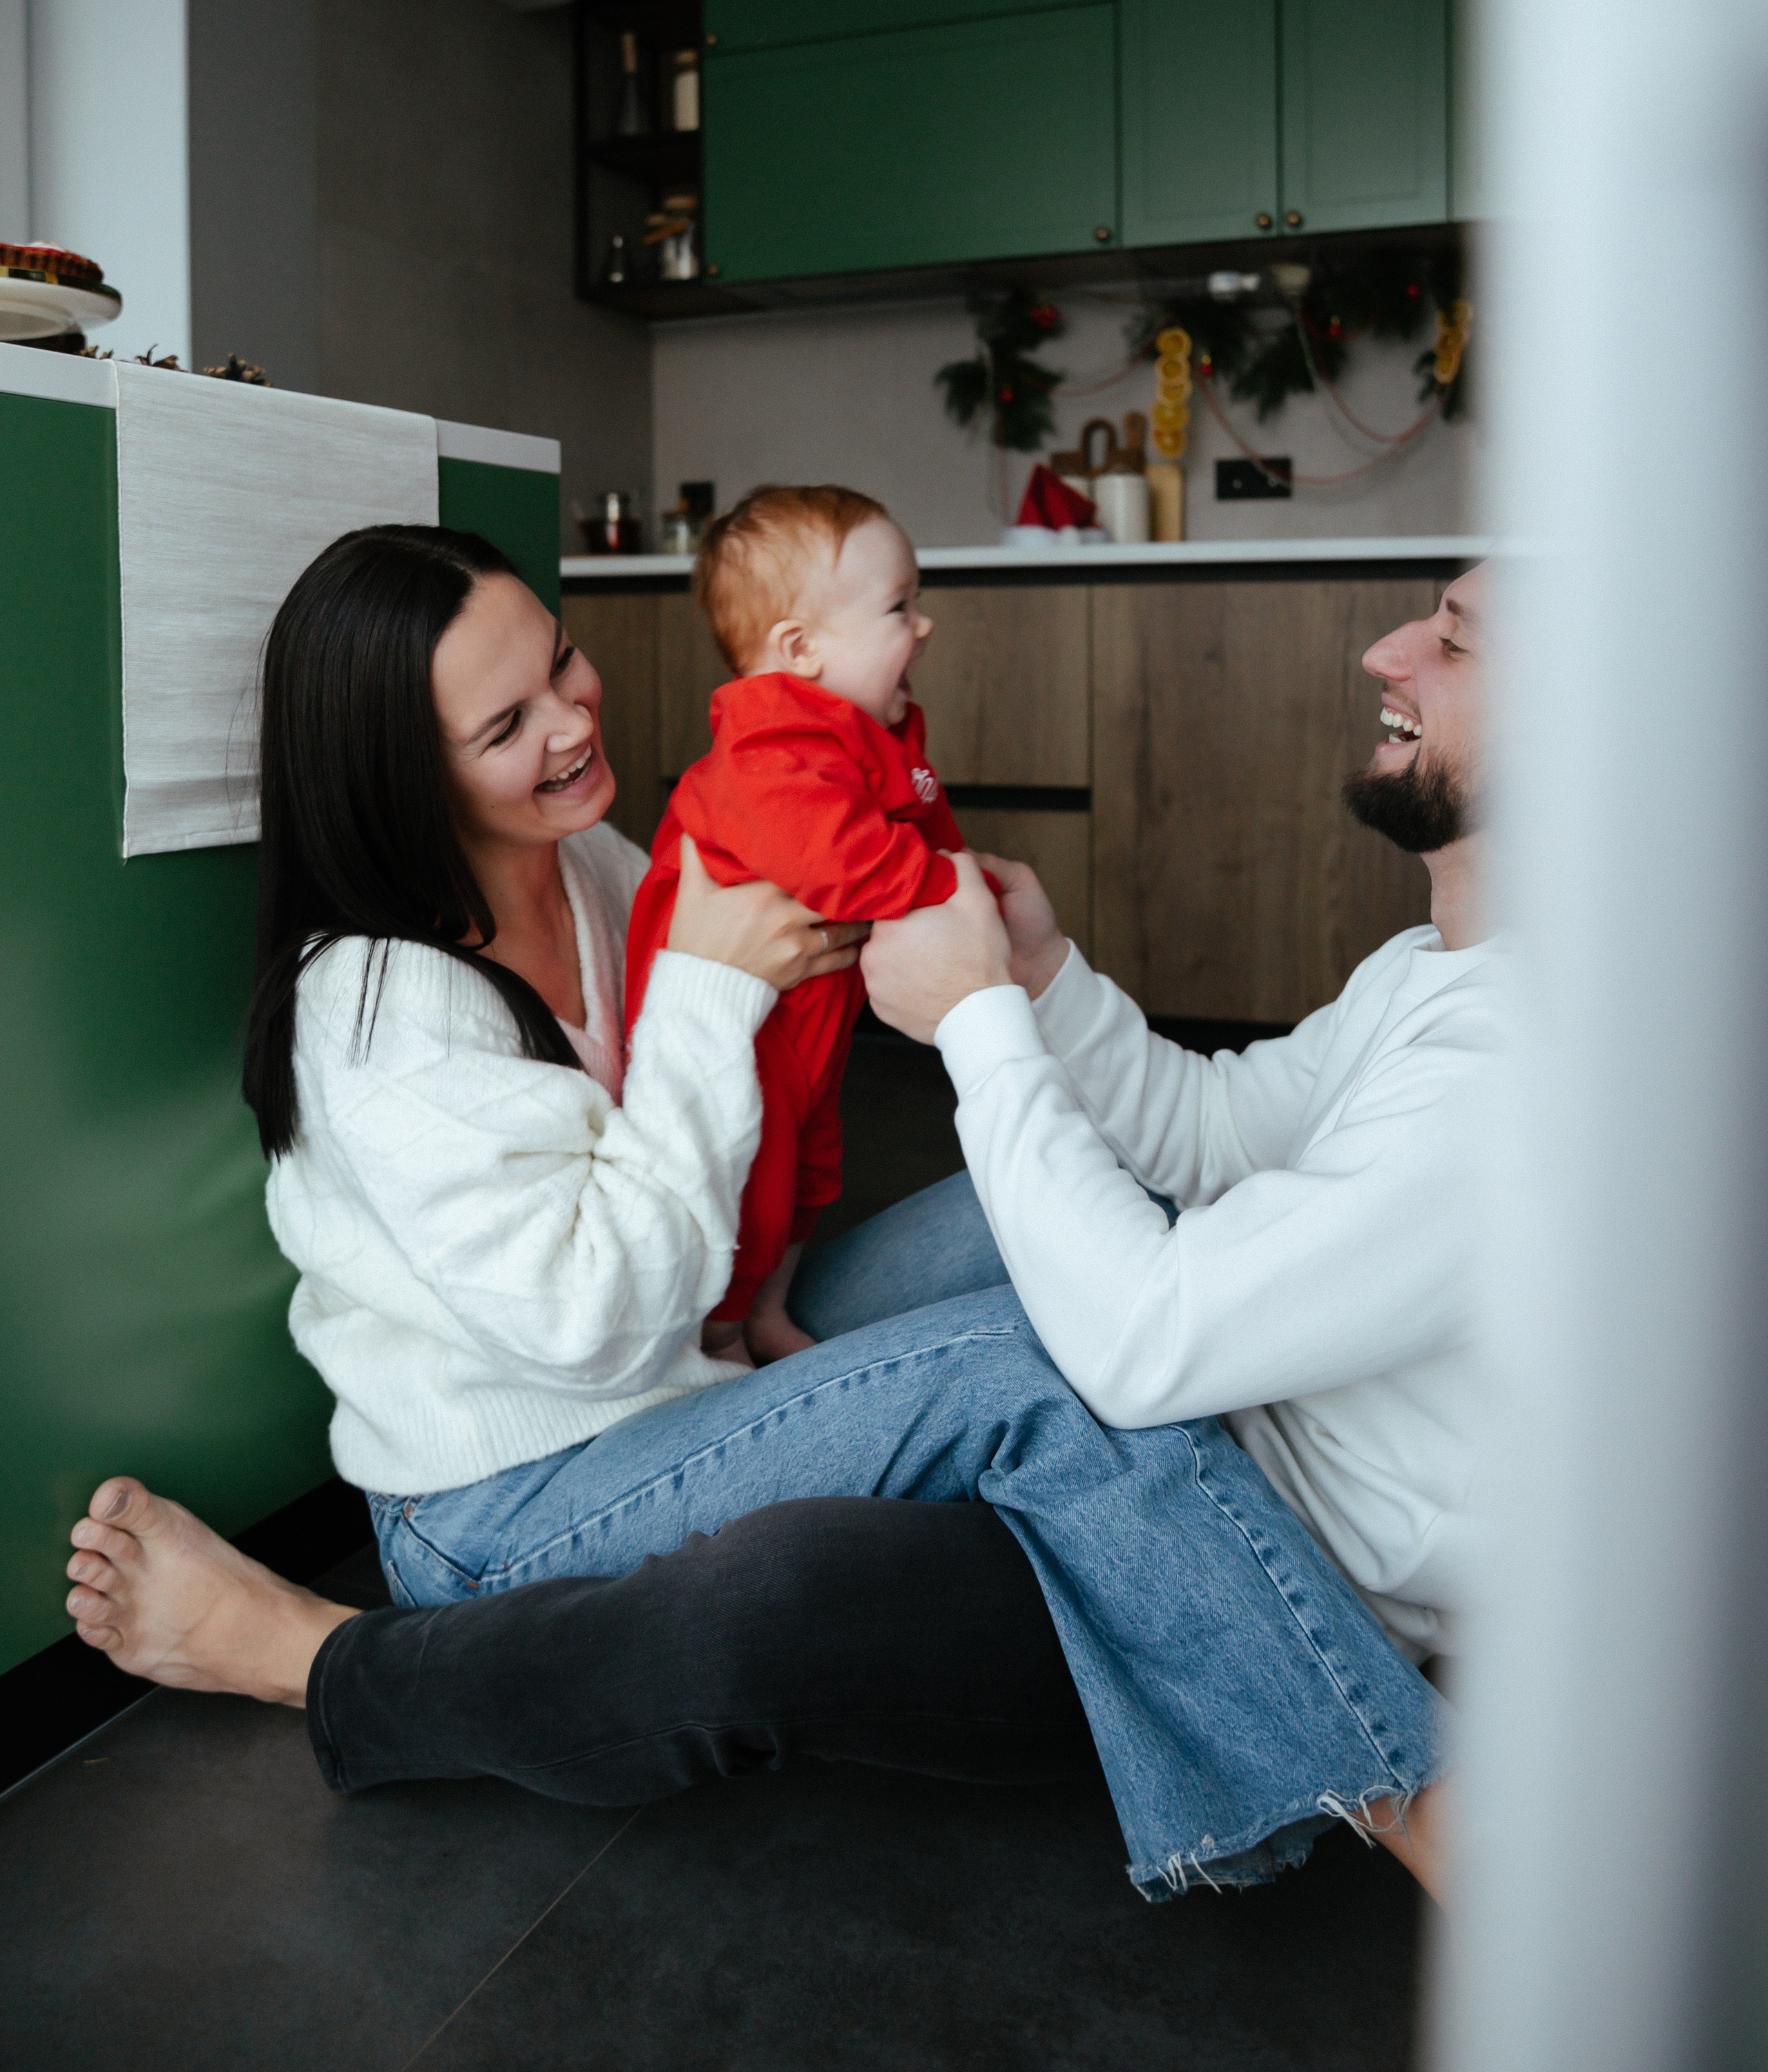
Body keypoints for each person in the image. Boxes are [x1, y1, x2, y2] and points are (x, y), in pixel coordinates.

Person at [64, 556, 1492, 1904]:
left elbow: (787, 1053)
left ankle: (1194, 1552)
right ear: (403, 778)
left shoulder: (595, 868)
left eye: (563, 664)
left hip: (688, 1359)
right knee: (1027, 1358)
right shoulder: (378, 1009)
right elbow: (588, 1323)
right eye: (509, 723)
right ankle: (1392, 1787)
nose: (571, 721)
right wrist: (702, 987)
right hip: (519, 1484)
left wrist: (942, 907)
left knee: (1071, 1221)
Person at [624, 483, 970, 1366]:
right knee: (757, 1188)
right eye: (898, 607)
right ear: (799, 648)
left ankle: (771, 1310)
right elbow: (847, 863)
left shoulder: (859, 733)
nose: (920, 626)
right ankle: (721, 1331)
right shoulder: (768, 747)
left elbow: (924, 824)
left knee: (815, 1172)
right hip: (744, 1039)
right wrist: (948, 887)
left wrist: (964, 878)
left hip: (808, 1024)